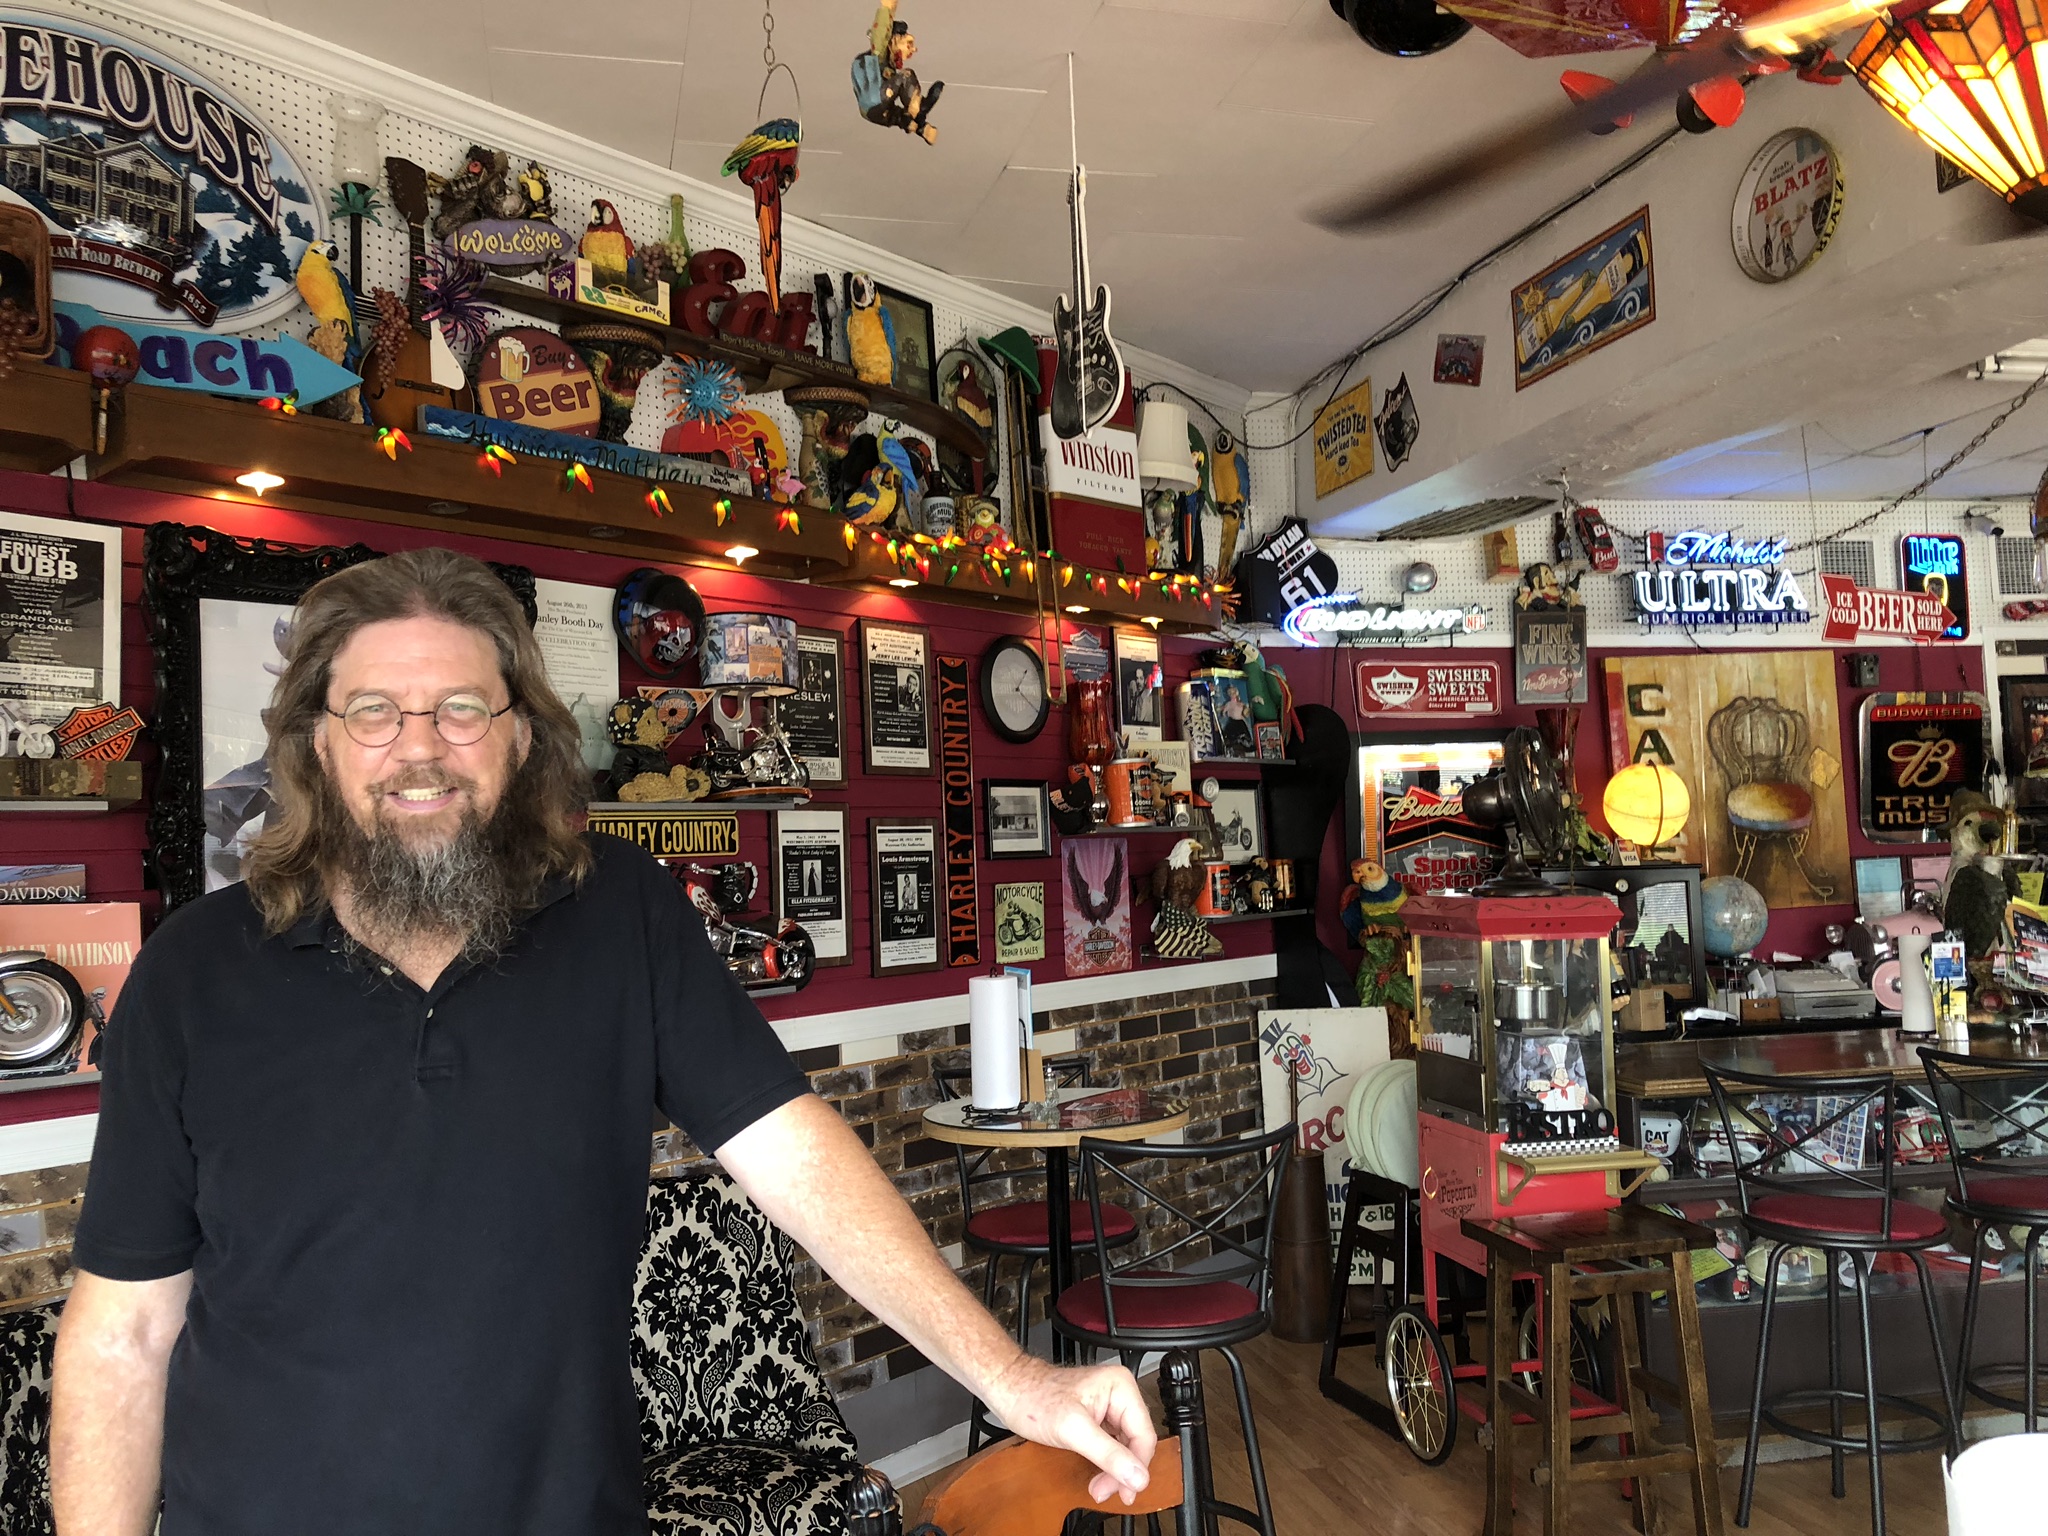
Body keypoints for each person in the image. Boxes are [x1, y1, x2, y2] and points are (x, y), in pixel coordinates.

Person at [51, 549, 1152, 1536]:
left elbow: (793, 1153)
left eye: (463, 710)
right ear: (317, 742)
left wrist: (1012, 1377)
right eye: (375, 711)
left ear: (521, 736)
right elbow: (123, 1332)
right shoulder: (193, 971)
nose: (419, 749)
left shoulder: (618, 909)